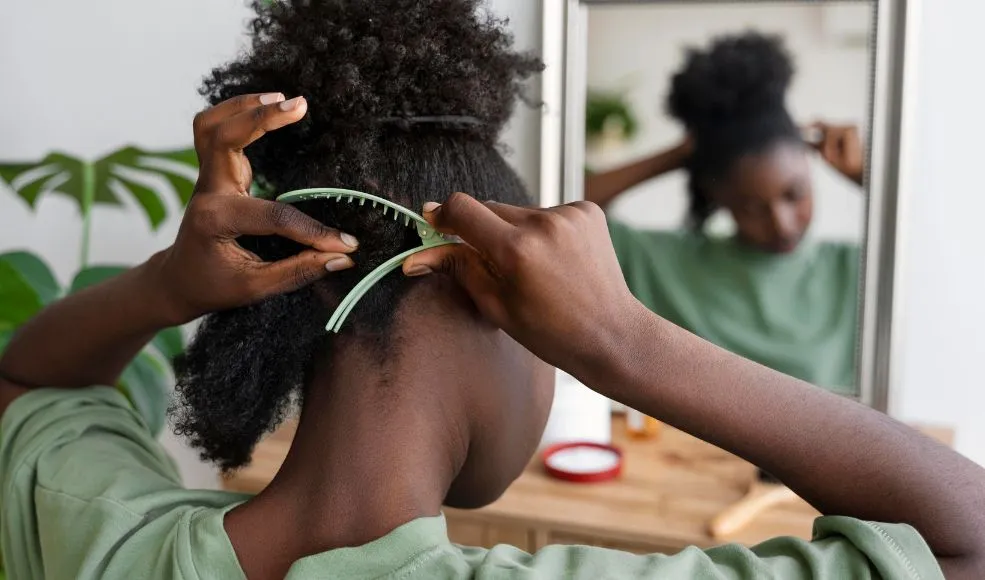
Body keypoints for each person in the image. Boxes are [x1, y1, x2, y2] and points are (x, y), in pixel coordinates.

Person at [0, 3, 983, 579]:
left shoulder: (104, 532)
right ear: (460, 276)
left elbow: (25, 385)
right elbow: (965, 542)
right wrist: (622, 342)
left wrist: (169, 284)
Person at [585, 33, 867, 392]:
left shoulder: (854, 272)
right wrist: (679, 156)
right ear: (720, 198)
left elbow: (943, 258)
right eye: (752, 207)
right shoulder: (665, 265)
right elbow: (553, 206)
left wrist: (867, 172)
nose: (781, 224)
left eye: (795, 194)